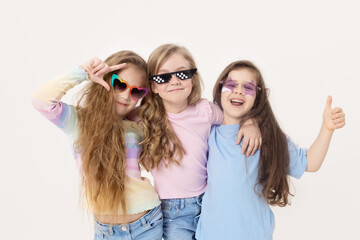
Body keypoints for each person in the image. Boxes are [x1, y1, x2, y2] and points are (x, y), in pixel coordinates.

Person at [195, 60, 346, 240]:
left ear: (258, 97)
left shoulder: (266, 136)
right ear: (220, 89)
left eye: (248, 87)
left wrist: (327, 128)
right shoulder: (206, 132)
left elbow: (310, 163)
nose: (238, 91)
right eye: (231, 84)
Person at [32, 51, 163, 240]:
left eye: (136, 91)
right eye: (120, 84)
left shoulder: (137, 125)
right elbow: (41, 100)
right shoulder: (79, 121)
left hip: (147, 224)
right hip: (106, 232)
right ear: (106, 80)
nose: (126, 96)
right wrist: (84, 72)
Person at [137, 44, 262, 239]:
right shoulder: (144, 119)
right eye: (164, 77)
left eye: (183, 74)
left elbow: (234, 116)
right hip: (172, 213)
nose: (175, 81)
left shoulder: (206, 110)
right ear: (153, 86)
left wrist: (251, 122)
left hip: (210, 203)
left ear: (193, 79)